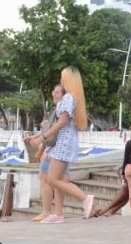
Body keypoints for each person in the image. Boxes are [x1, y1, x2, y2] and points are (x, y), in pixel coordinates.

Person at [29, 66, 95, 223]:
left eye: (62, 77)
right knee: (58, 178)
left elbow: (62, 122)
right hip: (65, 142)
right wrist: (40, 136)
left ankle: (85, 198)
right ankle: (58, 214)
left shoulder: (68, 98)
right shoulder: (73, 98)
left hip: (63, 143)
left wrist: (42, 137)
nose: (60, 80)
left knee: (52, 179)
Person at [26, 84, 70, 222]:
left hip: (55, 150)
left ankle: (48, 212)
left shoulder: (61, 110)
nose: (54, 94)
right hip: (61, 149)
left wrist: (42, 144)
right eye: (53, 92)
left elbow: (53, 131)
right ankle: (56, 213)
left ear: (64, 95)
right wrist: (36, 137)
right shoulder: (60, 110)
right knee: (58, 181)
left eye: (57, 92)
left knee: (47, 179)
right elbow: (50, 130)